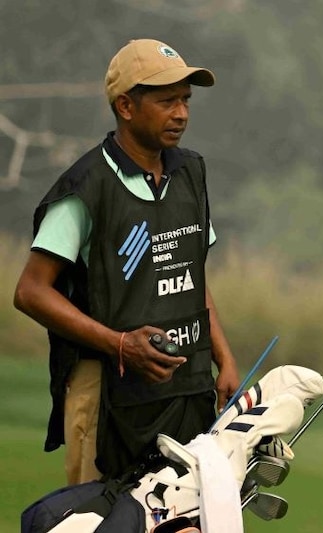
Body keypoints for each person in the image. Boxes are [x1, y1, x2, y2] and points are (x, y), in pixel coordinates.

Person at [13, 38, 240, 484]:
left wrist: (225, 359)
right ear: (126, 106)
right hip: (106, 397)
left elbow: (191, 276)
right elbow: (30, 291)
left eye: (186, 100)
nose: (182, 114)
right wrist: (119, 344)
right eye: (167, 101)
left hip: (184, 389)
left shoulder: (190, 172)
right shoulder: (86, 186)